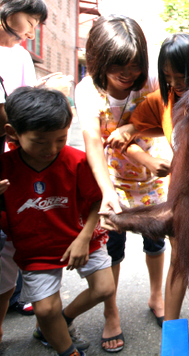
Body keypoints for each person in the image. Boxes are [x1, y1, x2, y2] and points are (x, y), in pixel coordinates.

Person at [106, 33, 189, 355]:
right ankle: (171, 331)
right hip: (180, 197)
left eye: (180, 76)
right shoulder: (166, 98)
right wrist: (128, 130)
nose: (173, 83)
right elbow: (136, 124)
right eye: (167, 76)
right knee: (180, 261)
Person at [75, 15, 171, 353]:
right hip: (112, 178)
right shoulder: (87, 91)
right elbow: (93, 146)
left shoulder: (151, 82)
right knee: (113, 246)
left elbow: (166, 123)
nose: (129, 76)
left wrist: (134, 135)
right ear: (99, 59)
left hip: (151, 180)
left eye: (135, 67)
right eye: (120, 68)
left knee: (155, 240)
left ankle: (156, 295)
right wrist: (107, 194)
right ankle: (111, 311)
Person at [0, 86, 117, 356]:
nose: (50, 149)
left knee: (104, 288)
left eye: (60, 139)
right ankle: (68, 350)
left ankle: (59, 322)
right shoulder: (4, 167)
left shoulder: (76, 161)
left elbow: (97, 200)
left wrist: (84, 237)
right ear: (12, 133)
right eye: (39, 142)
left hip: (81, 236)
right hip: (35, 248)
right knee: (44, 308)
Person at [0, 0, 48, 343]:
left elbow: (24, 106)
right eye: (30, 19)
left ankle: (11, 306)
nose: (32, 30)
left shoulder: (19, 57)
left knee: (10, 238)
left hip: (9, 157)